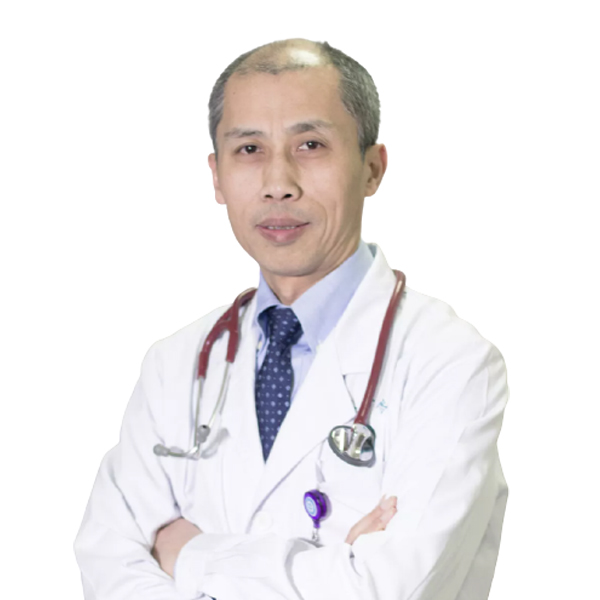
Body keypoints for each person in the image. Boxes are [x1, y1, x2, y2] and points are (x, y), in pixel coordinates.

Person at [74, 38, 509, 600]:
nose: (278, 182)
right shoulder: (174, 365)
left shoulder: (450, 363)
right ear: (216, 175)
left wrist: (187, 553)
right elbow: (106, 566)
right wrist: (335, 570)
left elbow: (391, 590)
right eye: (249, 149)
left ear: (372, 168)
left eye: (310, 145)